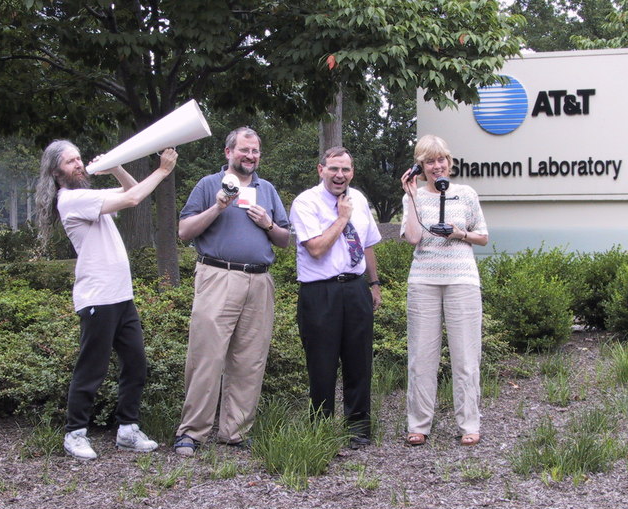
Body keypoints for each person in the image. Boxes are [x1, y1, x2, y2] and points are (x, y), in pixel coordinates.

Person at [34, 140, 177, 460]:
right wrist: (163, 170)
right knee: (92, 368)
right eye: (71, 162)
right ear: (57, 171)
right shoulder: (71, 199)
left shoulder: (89, 197)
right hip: (98, 297)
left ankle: (127, 430)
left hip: (121, 296)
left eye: (79, 158)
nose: (79, 164)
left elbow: (132, 192)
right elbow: (134, 198)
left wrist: (116, 168)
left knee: (136, 363)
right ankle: (75, 433)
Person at [173, 127, 290, 456]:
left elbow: (284, 240)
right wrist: (218, 208)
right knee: (206, 357)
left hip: (259, 281)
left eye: (255, 151)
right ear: (228, 152)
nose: (251, 156)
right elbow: (184, 232)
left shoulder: (267, 190)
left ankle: (235, 431)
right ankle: (192, 432)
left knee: (249, 359)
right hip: (217, 276)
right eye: (244, 150)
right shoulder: (208, 185)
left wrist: (268, 223)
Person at [289, 146, 382, 449]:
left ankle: (358, 429)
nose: (340, 175)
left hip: (355, 288)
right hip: (320, 292)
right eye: (333, 169)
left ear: (352, 172)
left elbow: (367, 244)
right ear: (321, 170)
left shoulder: (360, 200)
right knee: (322, 364)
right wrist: (342, 218)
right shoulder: (306, 202)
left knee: (359, 361)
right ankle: (321, 429)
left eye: (345, 170)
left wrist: (374, 283)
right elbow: (316, 248)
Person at [399, 134, 488, 447]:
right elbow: (412, 238)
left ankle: (469, 424)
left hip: (462, 280)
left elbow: (483, 236)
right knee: (421, 357)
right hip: (423, 281)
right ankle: (419, 424)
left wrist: (459, 233)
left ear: (449, 162)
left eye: (441, 160)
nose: (436, 166)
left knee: (466, 356)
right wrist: (410, 197)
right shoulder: (413, 196)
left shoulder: (465, 194)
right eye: (429, 161)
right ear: (419, 166)